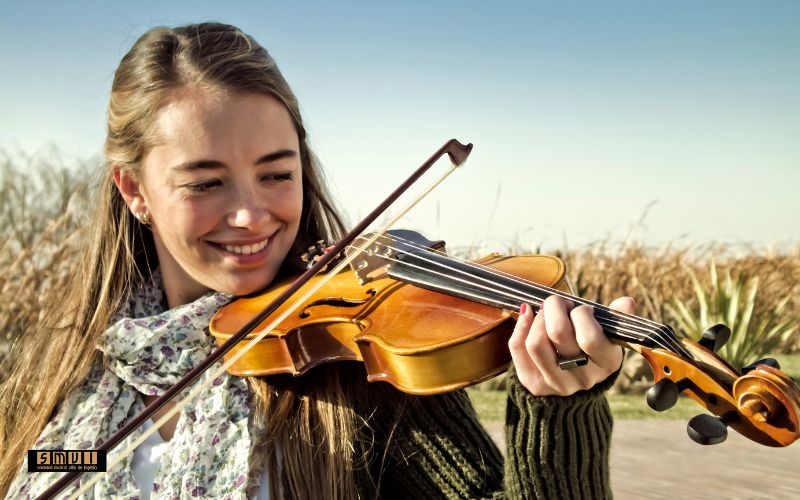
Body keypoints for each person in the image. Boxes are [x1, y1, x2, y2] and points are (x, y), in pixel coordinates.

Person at [0, 23, 634, 499]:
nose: (251, 216)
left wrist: (561, 413)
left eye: (277, 174)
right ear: (134, 189)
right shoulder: (61, 371)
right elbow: (49, 469)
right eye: (206, 183)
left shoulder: (363, 368)